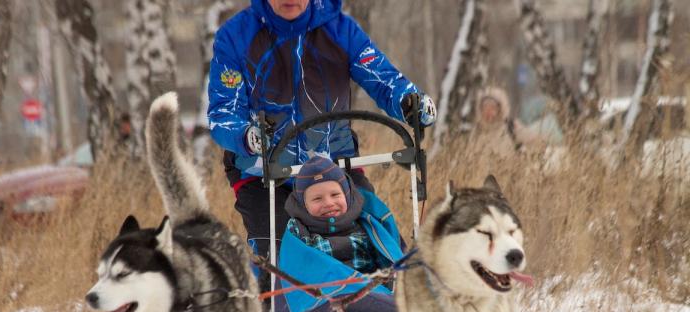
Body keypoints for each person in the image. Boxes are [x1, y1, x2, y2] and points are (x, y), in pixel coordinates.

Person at [207, 0, 436, 287]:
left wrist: (409, 102)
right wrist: (246, 136)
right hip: (264, 173)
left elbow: (383, 79)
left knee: (382, 239)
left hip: (335, 166)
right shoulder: (236, 36)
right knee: (278, 262)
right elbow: (223, 113)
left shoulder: (340, 29)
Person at [284, 155, 391, 274]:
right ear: (304, 206)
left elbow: (387, 263)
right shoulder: (298, 229)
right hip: (318, 287)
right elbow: (293, 265)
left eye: (335, 195)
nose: (329, 203)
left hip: (366, 287)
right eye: (317, 199)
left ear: (347, 196)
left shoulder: (366, 224)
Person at [471, 86, 535, 156]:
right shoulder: (476, 132)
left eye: (492, 108)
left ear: (500, 109)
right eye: (485, 108)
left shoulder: (511, 127)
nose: (488, 112)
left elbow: (537, 143)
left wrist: (525, 157)